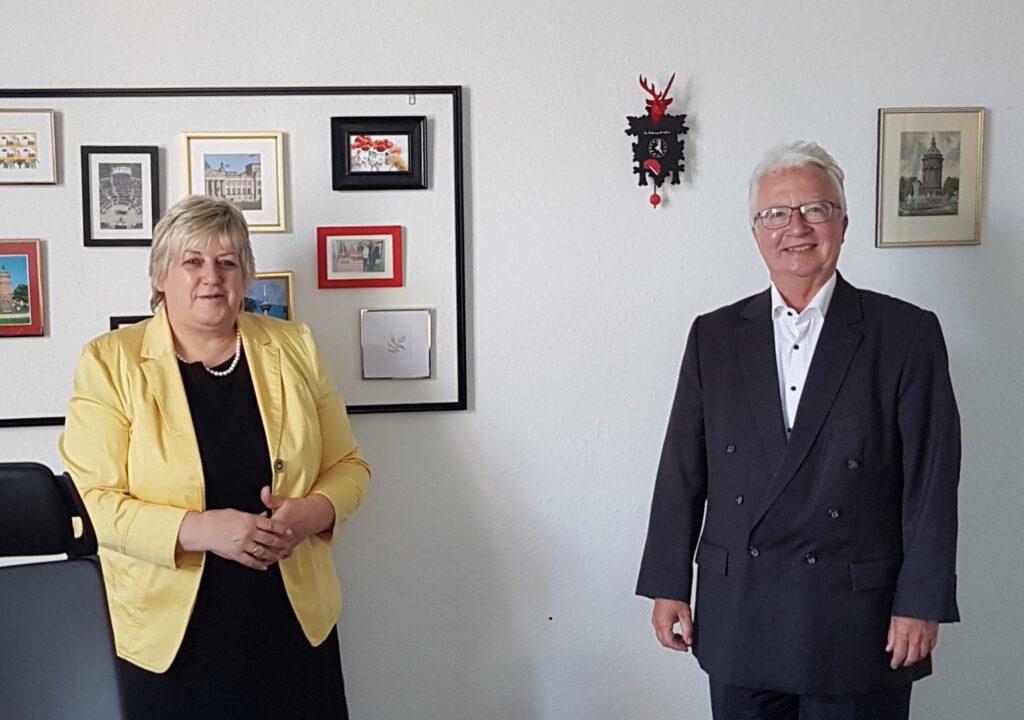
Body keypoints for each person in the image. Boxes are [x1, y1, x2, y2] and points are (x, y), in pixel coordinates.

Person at [636, 141, 960, 719]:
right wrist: (668, 584)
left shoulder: (905, 333)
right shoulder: (714, 336)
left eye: (816, 209)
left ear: (843, 222)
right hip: (741, 609)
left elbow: (932, 481)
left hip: (859, 616)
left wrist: (922, 603)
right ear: (756, 231)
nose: (797, 227)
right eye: (776, 214)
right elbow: (683, 466)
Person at [59, 195, 371, 719]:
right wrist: (202, 529)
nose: (212, 276)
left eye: (228, 262)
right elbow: (95, 503)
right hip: (169, 637)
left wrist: (312, 513)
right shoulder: (109, 361)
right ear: (160, 275)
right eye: (193, 261)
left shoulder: (295, 346)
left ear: (246, 276)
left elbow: (350, 466)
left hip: (291, 623)